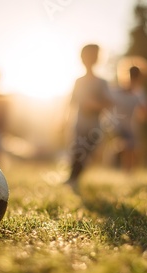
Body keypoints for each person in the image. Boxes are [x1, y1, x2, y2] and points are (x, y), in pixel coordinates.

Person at [64, 44, 112, 189]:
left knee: (88, 151)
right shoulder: (79, 81)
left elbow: (108, 103)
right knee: (78, 150)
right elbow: (71, 102)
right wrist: (62, 120)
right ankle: (73, 178)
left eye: (93, 56)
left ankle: (76, 175)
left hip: (95, 126)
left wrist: (94, 105)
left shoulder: (101, 82)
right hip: (79, 123)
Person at [111, 66, 147, 171]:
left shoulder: (139, 93)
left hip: (131, 125)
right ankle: (124, 168)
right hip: (118, 125)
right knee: (127, 146)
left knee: (133, 148)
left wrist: (144, 113)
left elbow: (145, 110)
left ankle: (129, 171)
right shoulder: (116, 91)